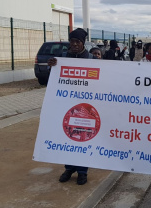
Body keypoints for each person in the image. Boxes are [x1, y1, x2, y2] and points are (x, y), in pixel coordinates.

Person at [47, 28, 93, 185]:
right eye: (72, 41)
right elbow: (53, 77)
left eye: (77, 42)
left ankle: (82, 171)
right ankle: (69, 168)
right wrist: (51, 66)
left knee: (83, 137)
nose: (74, 44)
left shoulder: (92, 59)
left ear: (83, 43)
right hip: (67, 106)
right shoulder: (61, 59)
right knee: (67, 135)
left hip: (86, 107)